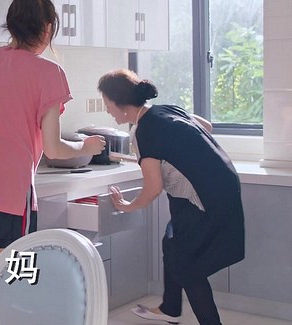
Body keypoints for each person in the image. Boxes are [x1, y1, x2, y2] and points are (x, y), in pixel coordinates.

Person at [0, 0, 105, 308]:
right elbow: (54, 149)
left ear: (12, 24)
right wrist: (85, 146)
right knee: (16, 293)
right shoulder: (49, 73)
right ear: (47, 28)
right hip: (8, 203)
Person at [98, 69, 244, 325]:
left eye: (107, 103)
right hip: (223, 184)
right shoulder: (167, 110)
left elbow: (153, 188)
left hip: (204, 197)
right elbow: (206, 127)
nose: (107, 109)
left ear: (120, 103)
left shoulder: (143, 131)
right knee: (172, 242)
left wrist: (128, 206)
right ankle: (171, 307)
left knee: (186, 265)